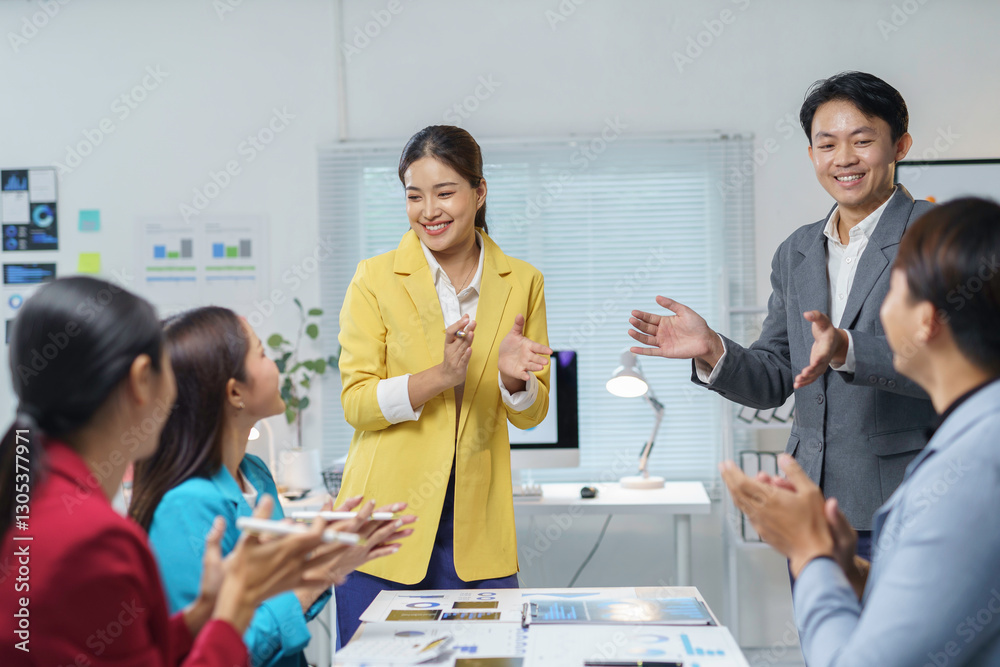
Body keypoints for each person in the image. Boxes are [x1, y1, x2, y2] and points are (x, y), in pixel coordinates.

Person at [628, 72, 936, 559]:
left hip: (907, 504)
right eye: (827, 144)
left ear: (900, 145)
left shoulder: (936, 236)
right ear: (812, 154)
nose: (844, 159)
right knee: (821, 636)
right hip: (811, 506)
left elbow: (955, 362)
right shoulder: (797, 251)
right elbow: (777, 376)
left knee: (904, 639)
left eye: (862, 141)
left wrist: (847, 349)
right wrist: (713, 348)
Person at [0, 277, 347, 667]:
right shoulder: (93, 538)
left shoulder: (41, 499)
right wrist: (236, 607)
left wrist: (204, 611)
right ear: (141, 379)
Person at [722, 197, 1000, 666]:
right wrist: (847, 571)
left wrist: (810, 553)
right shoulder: (977, 436)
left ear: (926, 322)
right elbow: (940, 602)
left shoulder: (970, 469)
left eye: (892, 292)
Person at [334, 125, 552, 642]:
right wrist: (441, 377)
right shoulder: (375, 278)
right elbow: (357, 403)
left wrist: (509, 378)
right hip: (384, 526)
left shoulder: (522, 281)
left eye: (445, 192)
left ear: (479, 193)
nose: (428, 210)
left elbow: (530, 413)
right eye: (414, 196)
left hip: (478, 527)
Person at [129, 306, 415, 666]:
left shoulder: (256, 473)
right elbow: (215, 654)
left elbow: (275, 610)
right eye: (262, 353)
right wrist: (316, 577)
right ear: (235, 393)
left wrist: (323, 554)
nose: (273, 362)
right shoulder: (184, 508)